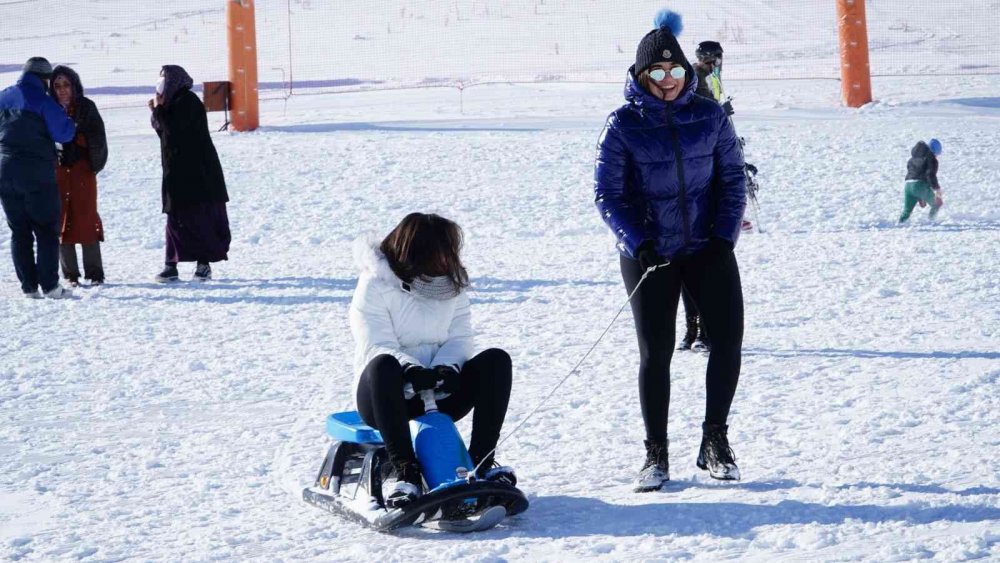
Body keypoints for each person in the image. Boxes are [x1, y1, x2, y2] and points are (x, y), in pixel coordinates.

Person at [594, 10, 746, 492]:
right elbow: (608, 195)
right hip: (649, 253)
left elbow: (732, 179)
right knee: (656, 353)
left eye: (675, 71)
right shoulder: (621, 125)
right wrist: (639, 243)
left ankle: (715, 440)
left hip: (707, 247)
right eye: (656, 73)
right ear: (641, 76)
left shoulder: (709, 115)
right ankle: (655, 453)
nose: (667, 81)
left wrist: (723, 237)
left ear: (686, 72)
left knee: (726, 342)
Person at [350, 213, 516, 508]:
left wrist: (448, 368)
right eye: (440, 253)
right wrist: (410, 370)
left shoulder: (451, 286)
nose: (447, 260)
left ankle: (481, 463)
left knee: (496, 361)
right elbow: (375, 343)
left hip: (441, 392)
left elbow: (460, 337)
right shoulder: (374, 285)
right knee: (383, 364)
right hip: (389, 397)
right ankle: (406, 472)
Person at [0, 57, 76, 299]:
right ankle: (51, 286)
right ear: (44, 79)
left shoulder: (3, 96)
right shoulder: (42, 101)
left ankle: (29, 288)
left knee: (19, 230)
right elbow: (64, 133)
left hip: (4, 171)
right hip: (35, 173)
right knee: (45, 229)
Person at [149, 65, 230, 282]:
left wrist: (159, 110)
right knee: (175, 219)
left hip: (198, 174)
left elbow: (175, 131)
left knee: (199, 219)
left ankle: (203, 264)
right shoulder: (173, 103)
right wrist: (158, 111)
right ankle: (170, 265)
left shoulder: (188, 102)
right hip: (176, 173)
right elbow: (165, 135)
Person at [49, 66, 108, 287]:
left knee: (86, 216)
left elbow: (98, 138)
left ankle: (95, 272)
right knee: (61, 218)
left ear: (74, 86)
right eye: (57, 85)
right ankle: (70, 274)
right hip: (58, 172)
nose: (62, 90)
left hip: (82, 170)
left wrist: (78, 141)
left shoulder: (86, 107)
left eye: (66, 85)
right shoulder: (49, 109)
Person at [899, 139, 943, 223]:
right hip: (920, 185)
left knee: (906, 212)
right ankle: (931, 222)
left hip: (908, 186)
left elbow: (914, 173)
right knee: (937, 203)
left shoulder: (912, 159)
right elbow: (930, 175)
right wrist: (937, 189)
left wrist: (919, 196)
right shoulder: (931, 159)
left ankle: (899, 225)